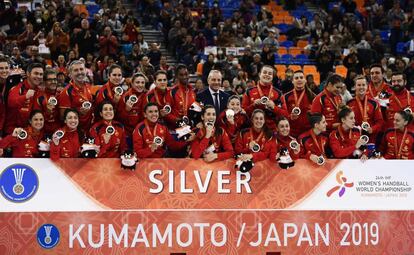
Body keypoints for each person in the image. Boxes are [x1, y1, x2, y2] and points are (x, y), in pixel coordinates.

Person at [242, 65, 287, 130]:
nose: (267, 75)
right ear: (259, 74)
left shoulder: (278, 93)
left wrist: (274, 107)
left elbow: (285, 114)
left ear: (272, 77)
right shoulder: (249, 92)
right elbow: (242, 113)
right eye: (265, 72)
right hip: (253, 129)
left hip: (272, 130)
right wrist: (253, 105)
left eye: (270, 74)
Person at [5, 63, 44, 135]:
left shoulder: (40, 91)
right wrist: (25, 97)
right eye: (36, 73)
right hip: (14, 132)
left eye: (41, 74)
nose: (39, 76)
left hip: (32, 131)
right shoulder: (18, 88)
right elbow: (11, 102)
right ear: (28, 74)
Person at [58, 60, 95, 133]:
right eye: (76, 70)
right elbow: (62, 117)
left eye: (81, 69)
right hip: (75, 132)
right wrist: (78, 113)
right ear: (70, 74)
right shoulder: (66, 92)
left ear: (85, 71)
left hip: (90, 128)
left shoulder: (88, 86)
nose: (79, 72)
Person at [347, 75, 384, 143]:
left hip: (371, 137)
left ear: (367, 86)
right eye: (359, 85)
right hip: (354, 137)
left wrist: (372, 129)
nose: (361, 87)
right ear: (354, 87)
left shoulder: (374, 103)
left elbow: (380, 122)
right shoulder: (349, 104)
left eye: (363, 85)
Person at [282, 70, 315, 137]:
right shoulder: (286, 97)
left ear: (305, 80)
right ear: (292, 81)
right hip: (291, 132)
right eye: (296, 78)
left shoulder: (313, 96)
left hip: (308, 133)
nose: (299, 80)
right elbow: (282, 115)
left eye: (301, 77)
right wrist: (290, 117)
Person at [33, 68, 61, 134]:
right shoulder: (39, 96)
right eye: (50, 80)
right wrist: (47, 113)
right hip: (43, 131)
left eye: (55, 79)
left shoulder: (61, 94)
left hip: (59, 130)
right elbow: (35, 118)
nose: (53, 82)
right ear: (44, 82)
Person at [0, 57, 10, 136]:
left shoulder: (11, 83)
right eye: (1, 68)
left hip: (7, 125)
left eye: (6, 68)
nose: (4, 71)